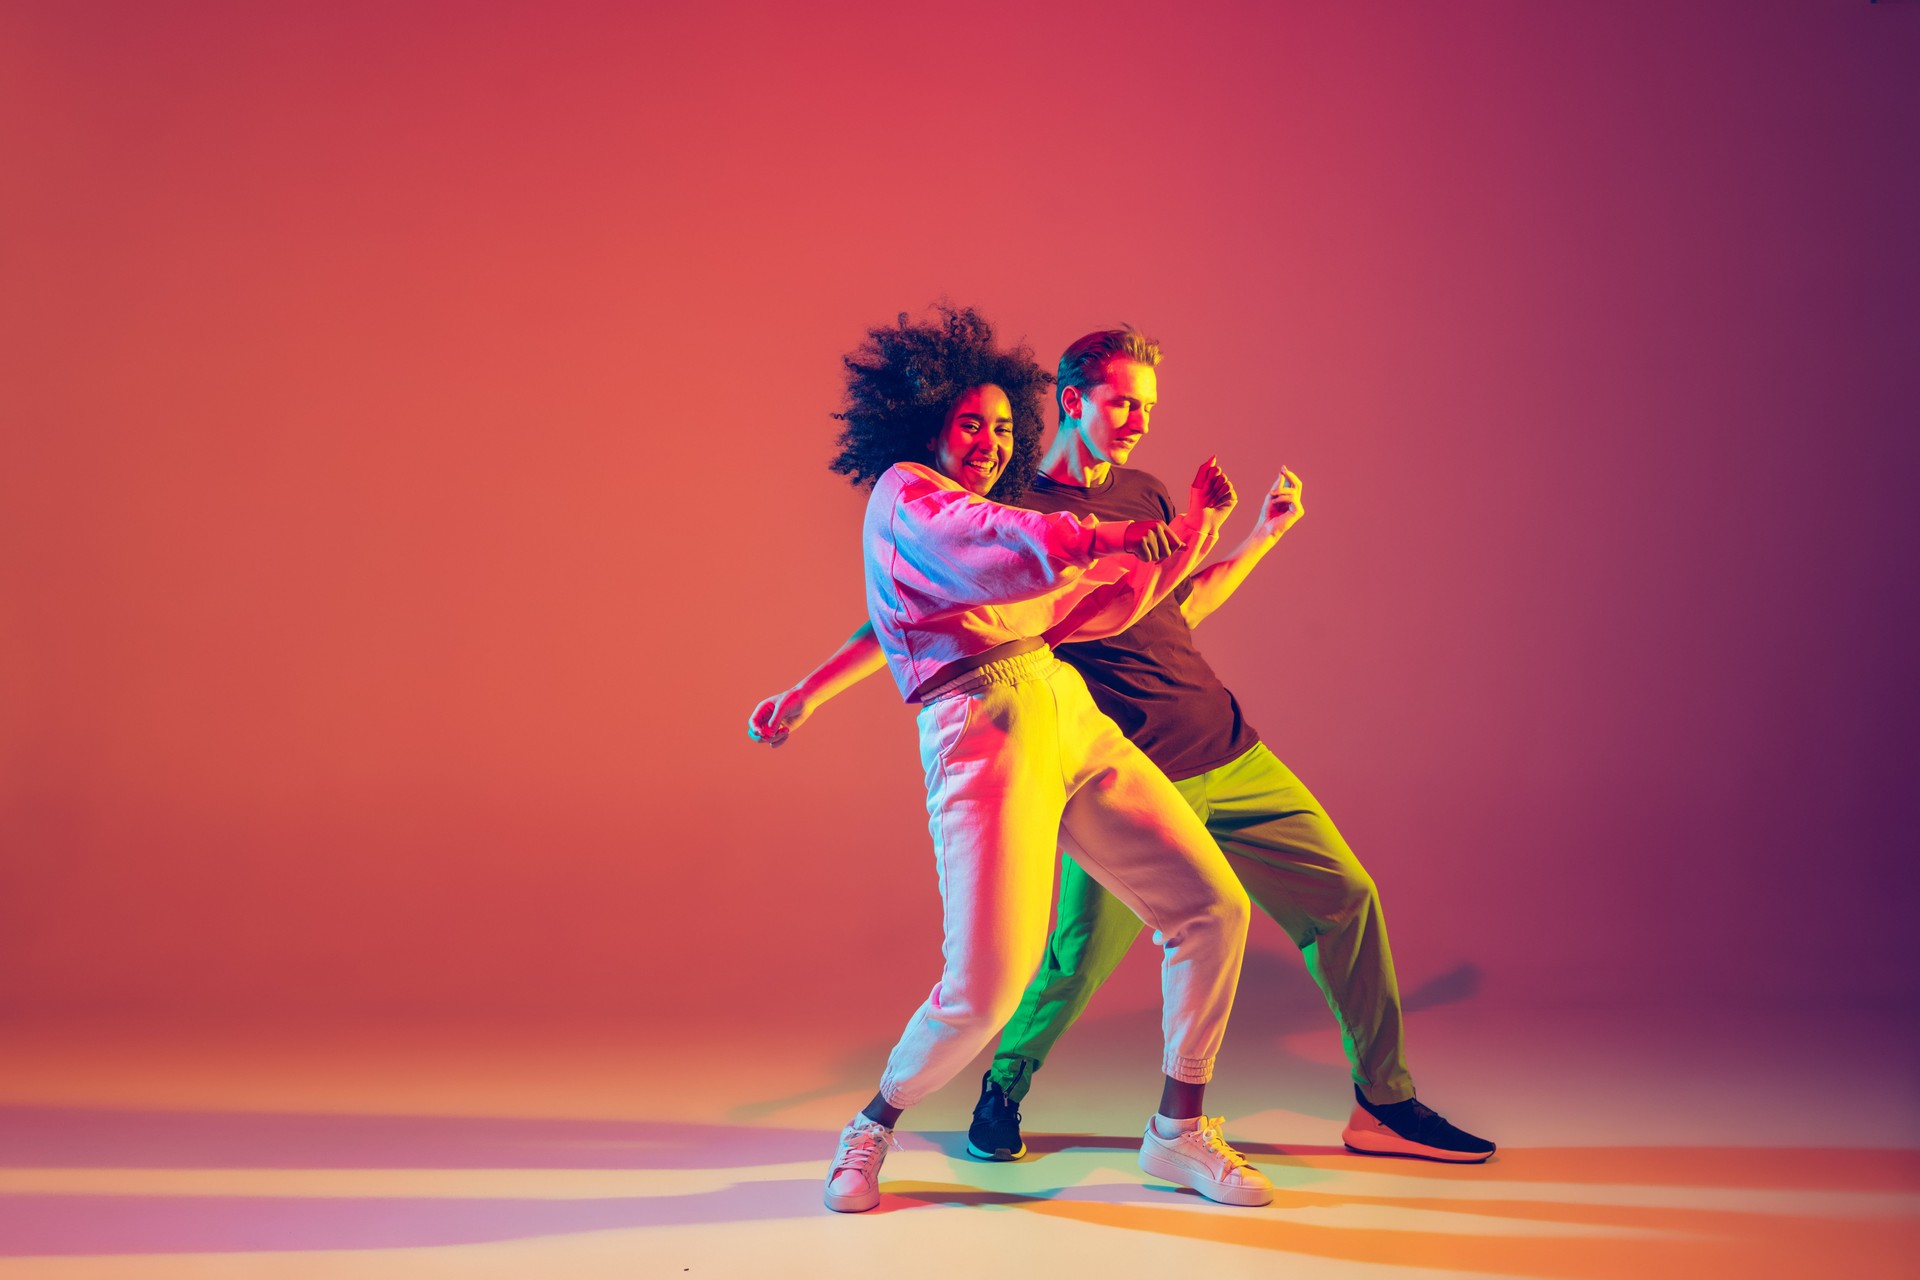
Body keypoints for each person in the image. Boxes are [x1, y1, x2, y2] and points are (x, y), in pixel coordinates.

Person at [751, 327, 1496, 1165]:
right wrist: (810, 690)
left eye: (1149, 405)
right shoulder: (977, 506)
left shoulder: (1142, 493)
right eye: (1122, 402)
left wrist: (1229, 534)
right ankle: (942, 1105)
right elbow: (928, 592)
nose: (1139, 420)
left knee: (1277, 906)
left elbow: (1152, 605)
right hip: (1033, 737)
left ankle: (1278, 1116)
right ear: (1071, 401)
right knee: (1042, 969)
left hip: (1167, 731)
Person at [790, 306, 1274, 1214]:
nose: (988, 440)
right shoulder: (908, 496)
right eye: (970, 423)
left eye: (1004, 426)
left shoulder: (987, 505)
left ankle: (1179, 1131)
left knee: (1213, 908)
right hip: (980, 729)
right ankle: (872, 1123)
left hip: (1063, 703)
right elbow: (1011, 549)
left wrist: (1201, 531)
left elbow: (1096, 612)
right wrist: (1107, 536)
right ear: (928, 420)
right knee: (983, 992)